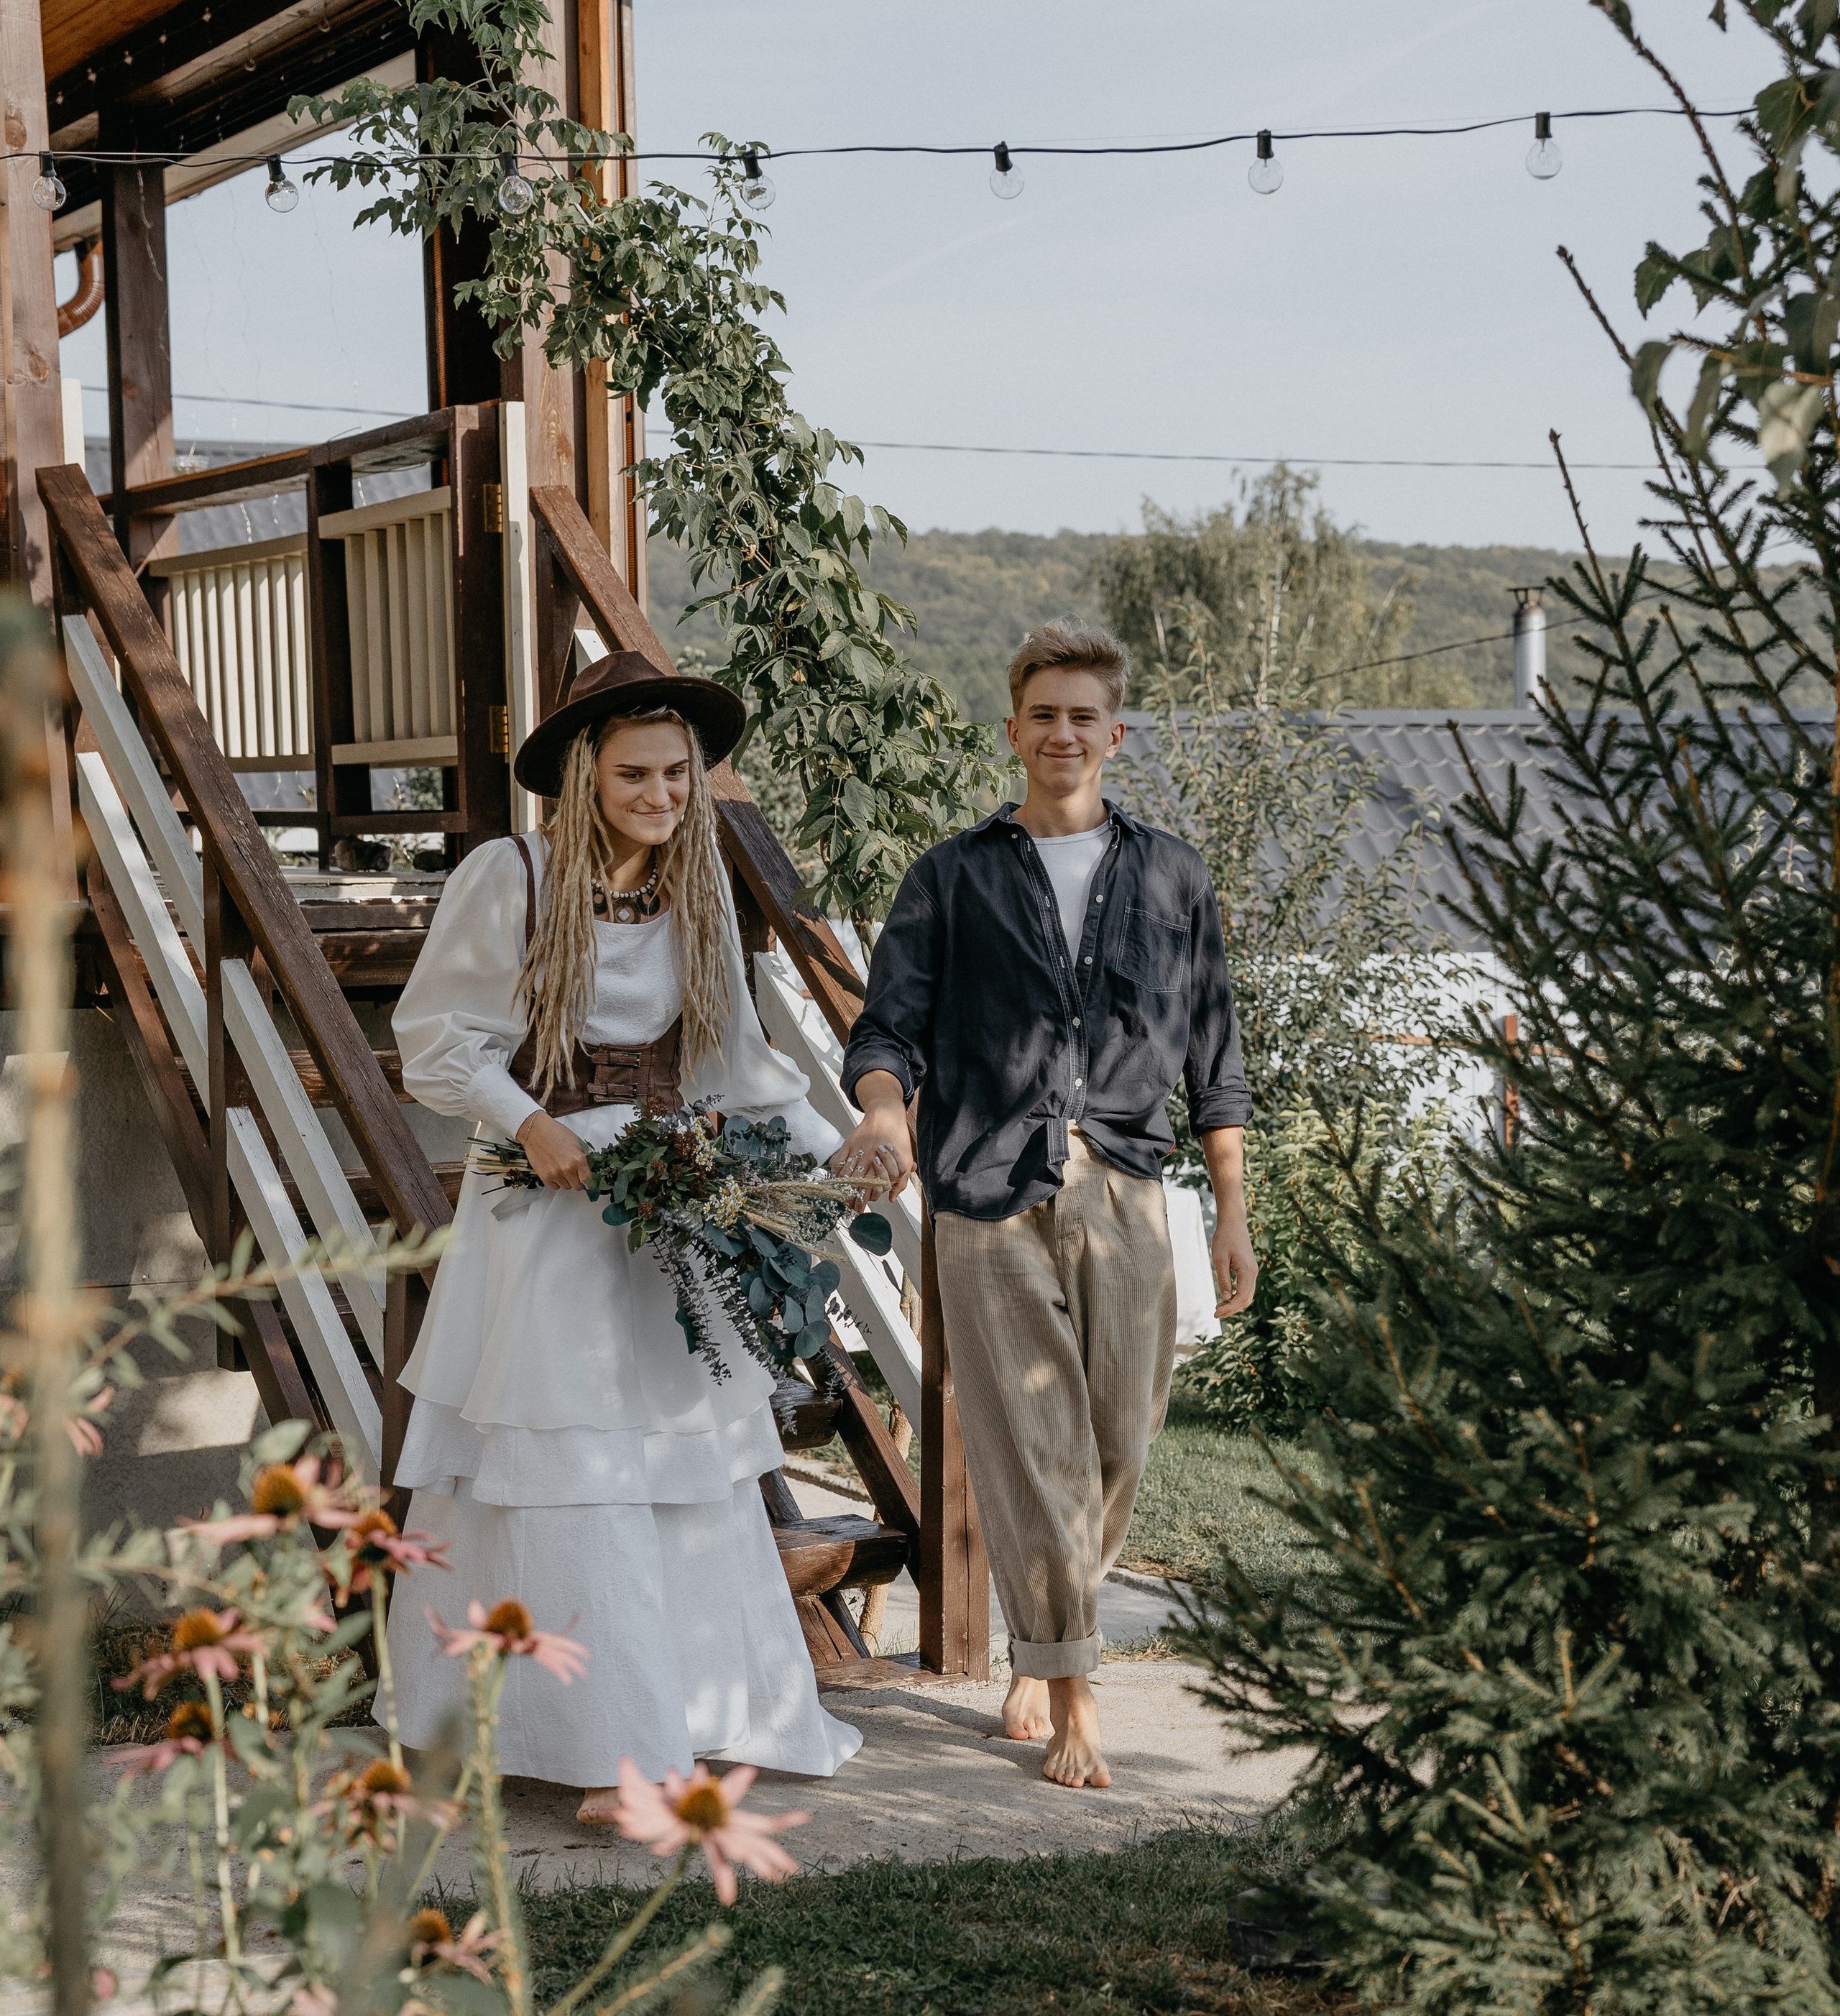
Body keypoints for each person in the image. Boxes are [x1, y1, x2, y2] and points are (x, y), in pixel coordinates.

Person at [385, 649, 871, 1821]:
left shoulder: (694, 900)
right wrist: (530, 1121)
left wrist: (839, 1150)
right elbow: (438, 1035)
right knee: (567, 1461)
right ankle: (611, 1756)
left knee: (677, 1465)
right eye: (637, 774)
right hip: (547, 1211)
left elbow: (738, 1069)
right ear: (585, 775)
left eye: (677, 775)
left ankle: (689, 1718)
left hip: (664, 1209)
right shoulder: (512, 877)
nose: (659, 794)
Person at [833, 620, 1256, 1790]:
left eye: (1085, 715)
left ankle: (1041, 1639)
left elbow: (1216, 1049)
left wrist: (1229, 1207)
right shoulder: (951, 874)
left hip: (1125, 1182)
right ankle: (1072, 1690)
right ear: (1013, 730)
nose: (1062, 732)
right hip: (983, 1189)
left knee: (1120, 1433)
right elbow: (888, 1027)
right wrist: (882, 1109)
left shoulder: (1175, 875)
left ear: (1114, 734)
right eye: (1043, 714)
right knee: (1034, 1445)